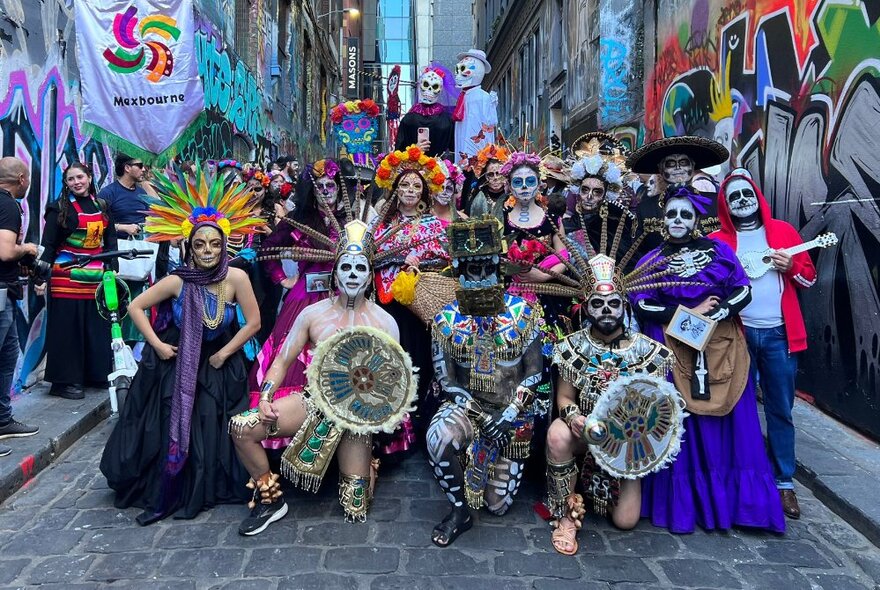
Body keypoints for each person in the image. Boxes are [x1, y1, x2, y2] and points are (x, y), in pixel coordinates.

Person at [100, 166, 264, 525]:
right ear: (189, 245)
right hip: (178, 362)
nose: (208, 250)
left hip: (221, 363)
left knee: (213, 422)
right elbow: (135, 306)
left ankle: (212, 484)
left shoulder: (236, 277)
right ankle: (186, 484)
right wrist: (157, 344)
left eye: (215, 243)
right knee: (180, 419)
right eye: (201, 244)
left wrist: (225, 352)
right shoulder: (177, 280)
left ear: (225, 244)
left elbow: (254, 322)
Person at [229, 219, 410, 533]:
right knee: (242, 428)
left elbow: (393, 382)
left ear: (370, 275)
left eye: (360, 268)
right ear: (335, 272)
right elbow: (282, 361)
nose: (353, 275)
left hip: (356, 417)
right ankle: (270, 498)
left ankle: (368, 462)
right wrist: (268, 397)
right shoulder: (313, 314)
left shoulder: (385, 323)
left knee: (356, 508)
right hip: (311, 401)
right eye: (346, 267)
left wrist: (373, 417)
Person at [630, 185, 785, 534]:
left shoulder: (719, 252)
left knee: (731, 420)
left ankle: (735, 505)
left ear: (697, 219)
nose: (679, 220)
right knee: (681, 424)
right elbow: (642, 304)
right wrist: (690, 313)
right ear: (663, 220)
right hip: (672, 349)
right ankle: (686, 504)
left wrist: (714, 317)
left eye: (686, 214)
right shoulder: (651, 260)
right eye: (672, 214)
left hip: (722, 345)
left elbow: (742, 289)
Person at [427, 200, 545, 547]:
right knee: (438, 437)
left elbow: (534, 372)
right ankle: (459, 511)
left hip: (513, 413)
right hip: (468, 410)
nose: (479, 279)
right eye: (470, 270)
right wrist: (478, 415)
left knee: (497, 506)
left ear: (499, 268)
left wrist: (509, 414)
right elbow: (447, 380)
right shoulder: (446, 319)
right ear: (458, 271)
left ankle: (489, 469)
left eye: (486, 269)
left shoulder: (524, 312)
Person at [712, 169, 816, 519]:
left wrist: (789, 267)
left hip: (778, 335)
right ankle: (746, 478)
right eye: (734, 197)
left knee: (780, 409)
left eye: (747, 195)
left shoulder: (783, 233)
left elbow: (809, 279)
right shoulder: (718, 241)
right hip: (737, 337)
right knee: (738, 410)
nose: (742, 201)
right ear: (726, 204)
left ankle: (784, 482)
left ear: (757, 197)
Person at [249, 160, 359, 448]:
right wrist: (282, 278)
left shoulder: (352, 221)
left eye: (331, 186)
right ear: (311, 189)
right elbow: (269, 248)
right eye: (320, 186)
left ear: (339, 188)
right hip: (304, 297)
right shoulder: (298, 219)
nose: (326, 192)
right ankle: (291, 422)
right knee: (292, 353)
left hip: (343, 296)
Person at [373, 145, 450, 448]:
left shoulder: (433, 224)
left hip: (419, 305)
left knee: (419, 360)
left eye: (416, 185)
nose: (409, 190)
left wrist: (421, 262)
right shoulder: (381, 224)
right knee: (391, 359)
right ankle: (392, 424)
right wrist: (395, 258)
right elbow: (370, 256)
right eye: (404, 184)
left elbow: (445, 260)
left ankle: (418, 423)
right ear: (394, 188)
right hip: (388, 302)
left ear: (424, 192)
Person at [34, 163, 117, 400]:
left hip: (96, 278)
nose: (76, 182)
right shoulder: (58, 208)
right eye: (71, 179)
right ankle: (63, 381)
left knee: (95, 328)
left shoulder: (102, 206)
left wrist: (112, 269)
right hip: (65, 279)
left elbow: (110, 242)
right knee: (66, 331)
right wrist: (41, 276)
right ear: (66, 183)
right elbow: (48, 244)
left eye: (80, 177)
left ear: (89, 178)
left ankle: (95, 374)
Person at [626, 136, 729, 254]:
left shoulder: (716, 202)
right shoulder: (645, 208)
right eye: (670, 164)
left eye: (683, 162)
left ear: (693, 165)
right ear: (660, 169)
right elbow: (636, 251)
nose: (678, 168)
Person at [0, 158, 40, 456]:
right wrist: (26, 249)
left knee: (8, 353)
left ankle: (2, 420)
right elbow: (5, 251)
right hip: (0, 293)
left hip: (7, 292)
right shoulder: (9, 205)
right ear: (21, 178)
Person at [396, 63, 458, 157]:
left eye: (434, 87)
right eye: (426, 85)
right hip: (417, 166)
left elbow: (399, 150)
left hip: (434, 167)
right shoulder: (447, 119)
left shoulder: (408, 118)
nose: (429, 90)